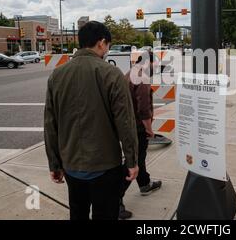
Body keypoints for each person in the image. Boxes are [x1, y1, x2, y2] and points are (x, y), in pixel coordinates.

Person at [44, 21, 139, 220]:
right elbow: (126, 123)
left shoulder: (57, 75)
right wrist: (132, 160)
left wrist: (54, 163)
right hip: (105, 165)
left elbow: (50, 125)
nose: (107, 50)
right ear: (102, 43)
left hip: (71, 164)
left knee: (77, 213)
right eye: (108, 46)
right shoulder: (111, 74)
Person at [120, 50, 162, 206]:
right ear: (147, 62)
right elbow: (143, 110)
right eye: (154, 66)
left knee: (139, 158)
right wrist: (149, 130)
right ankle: (116, 200)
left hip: (127, 124)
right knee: (133, 161)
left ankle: (145, 184)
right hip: (137, 127)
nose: (155, 70)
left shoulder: (129, 73)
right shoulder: (142, 78)